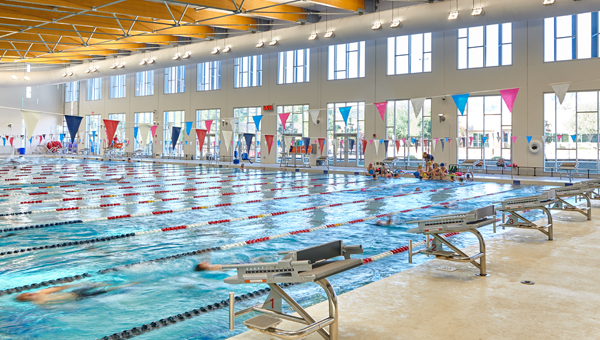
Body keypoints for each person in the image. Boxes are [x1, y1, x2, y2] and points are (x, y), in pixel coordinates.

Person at [16, 282, 138, 305]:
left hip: (75, 293)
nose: (29, 294)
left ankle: (126, 285)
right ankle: (124, 286)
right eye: (27, 295)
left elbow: (61, 288)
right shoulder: (40, 301)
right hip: (76, 297)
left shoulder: (41, 295)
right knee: (101, 291)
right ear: (27, 299)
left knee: (100, 289)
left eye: (27, 293)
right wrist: (69, 307)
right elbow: (56, 307)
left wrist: (74, 285)